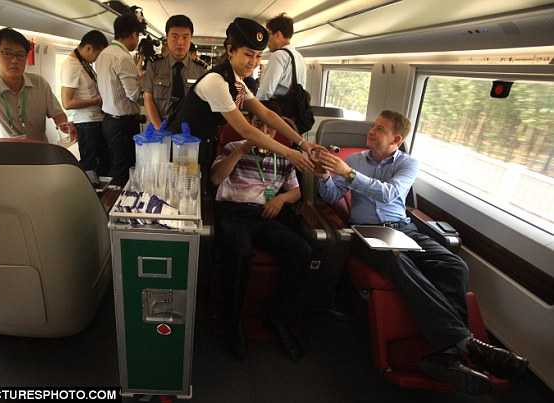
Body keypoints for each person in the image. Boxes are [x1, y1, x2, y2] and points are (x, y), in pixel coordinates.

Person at [313, 110, 529, 394]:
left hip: (404, 227)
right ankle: (465, 345)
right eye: (374, 127)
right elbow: (330, 197)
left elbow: (390, 194)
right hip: (365, 231)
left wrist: (350, 175)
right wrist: (325, 177)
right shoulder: (353, 160)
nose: (372, 131)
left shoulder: (408, 163)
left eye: (380, 129)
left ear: (397, 139)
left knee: (454, 266)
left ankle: (447, 357)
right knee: (398, 260)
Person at [166, 17, 324, 183]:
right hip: (180, 151)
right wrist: (288, 152)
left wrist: (302, 143)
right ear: (230, 50)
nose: (254, 63)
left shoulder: (236, 80)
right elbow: (245, 130)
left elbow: (265, 113)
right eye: (248, 54)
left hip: (196, 147)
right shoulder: (216, 81)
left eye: (258, 56)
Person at [211, 101, 311, 361]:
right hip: (233, 213)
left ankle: (277, 317)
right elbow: (215, 179)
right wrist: (244, 146)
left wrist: (281, 199)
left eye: (269, 127)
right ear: (248, 127)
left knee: (301, 251)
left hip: (265, 215)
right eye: (257, 125)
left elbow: (297, 191)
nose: (264, 131)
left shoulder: (284, 157)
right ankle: (233, 322)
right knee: (239, 251)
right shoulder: (233, 147)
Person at [95, 13, 143, 186]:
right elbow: (134, 95)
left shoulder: (103, 54)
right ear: (133, 34)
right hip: (123, 124)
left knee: (117, 166)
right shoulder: (123, 57)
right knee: (126, 170)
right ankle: (121, 209)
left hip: (108, 120)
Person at [142, 15, 208, 129]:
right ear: (167, 38)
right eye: (175, 36)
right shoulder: (154, 64)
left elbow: (204, 104)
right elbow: (148, 98)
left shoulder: (201, 69)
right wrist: (160, 130)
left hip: (189, 129)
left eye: (185, 37)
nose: (180, 42)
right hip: (161, 125)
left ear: (191, 38)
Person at [60, 30, 109, 175]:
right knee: (90, 164)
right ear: (89, 48)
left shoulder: (84, 63)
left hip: (95, 120)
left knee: (103, 162)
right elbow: (67, 102)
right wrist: (96, 100)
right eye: (98, 54)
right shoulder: (71, 66)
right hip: (87, 124)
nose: (97, 59)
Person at [256, 13, 306, 102]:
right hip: (292, 109)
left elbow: (265, 92)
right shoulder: (300, 58)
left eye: (268, 34)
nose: (266, 40)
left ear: (278, 35)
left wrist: (255, 113)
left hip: (277, 109)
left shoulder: (278, 56)